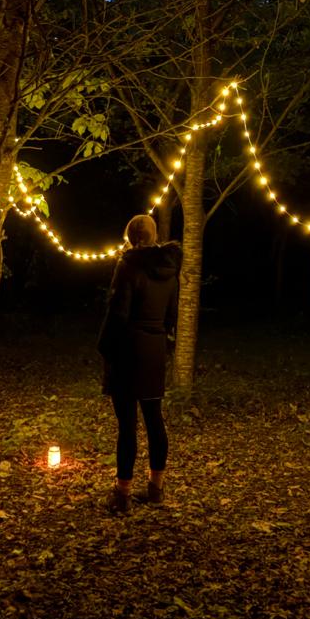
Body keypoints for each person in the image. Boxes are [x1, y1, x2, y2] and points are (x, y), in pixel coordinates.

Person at [96, 213, 182, 515]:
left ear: (131, 237)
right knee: (154, 418)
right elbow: (172, 315)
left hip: (128, 350)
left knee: (128, 426)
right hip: (154, 349)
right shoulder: (170, 270)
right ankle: (156, 488)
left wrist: (104, 347)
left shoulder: (128, 266)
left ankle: (123, 494)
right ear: (154, 235)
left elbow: (118, 313)